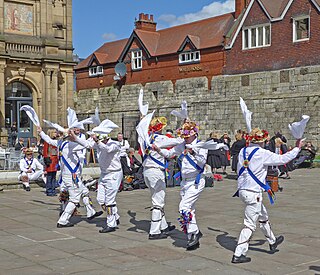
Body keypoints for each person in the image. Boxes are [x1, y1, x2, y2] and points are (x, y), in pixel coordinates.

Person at [231, 128, 302, 264]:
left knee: (263, 215)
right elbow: (282, 159)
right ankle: (238, 254)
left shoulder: (243, 151)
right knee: (249, 225)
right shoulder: (262, 153)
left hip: (242, 190)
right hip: (253, 192)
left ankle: (272, 241)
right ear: (262, 141)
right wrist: (297, 148)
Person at [154, 120, 207, 250]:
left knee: (183, 207)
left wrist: (193, 152)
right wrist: (158, 150)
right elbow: (169, 154)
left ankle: (193, 233)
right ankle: (193, 236)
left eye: (187, 136)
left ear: (194, 134)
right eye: (184, 136)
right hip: (184, 182)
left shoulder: (201, 146)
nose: (185, 139)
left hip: (196, 181)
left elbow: (202, 162)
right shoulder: (182, 145)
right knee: (190, 209)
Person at [37, 126, 103, 228]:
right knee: (74, 199)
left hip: (68, 175)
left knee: (84, 191)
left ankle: (91, 212)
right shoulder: (71, 145)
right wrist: (94, 137)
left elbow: (48, 140)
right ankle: (63, 221)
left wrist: (41, 132)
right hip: (72, 177)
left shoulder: (60, 143)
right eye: (73, 134)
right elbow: (89, 145)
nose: (75, 135)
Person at [70, 126, 123, 233]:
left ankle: (111, 224)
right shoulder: (99, 143)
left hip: (114, 174)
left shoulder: (115, 144)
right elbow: (87, 144)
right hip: (104, 174)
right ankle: (115, 216)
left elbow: (107, 149)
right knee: (100, 199)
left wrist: (97, 140)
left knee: (109, 201)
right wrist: (75, 138)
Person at [137, 116, 177, 240]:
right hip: (156, 171)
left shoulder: (145, 138)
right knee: (158, 201)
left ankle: (163, 226)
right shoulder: (161, 139)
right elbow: (177, 141)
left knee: (157, 198)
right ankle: (154, 231)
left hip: (147, 171)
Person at [43, 129, 59, 196]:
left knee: (54, 176)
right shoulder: (47, 141)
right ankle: (49, 190)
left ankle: (53, 189)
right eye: (55, 132)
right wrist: (46, 158)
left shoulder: (56, 140)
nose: (56, 133)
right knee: (49, 176)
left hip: (55, 160)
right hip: (50, 159)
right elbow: (45, 151)